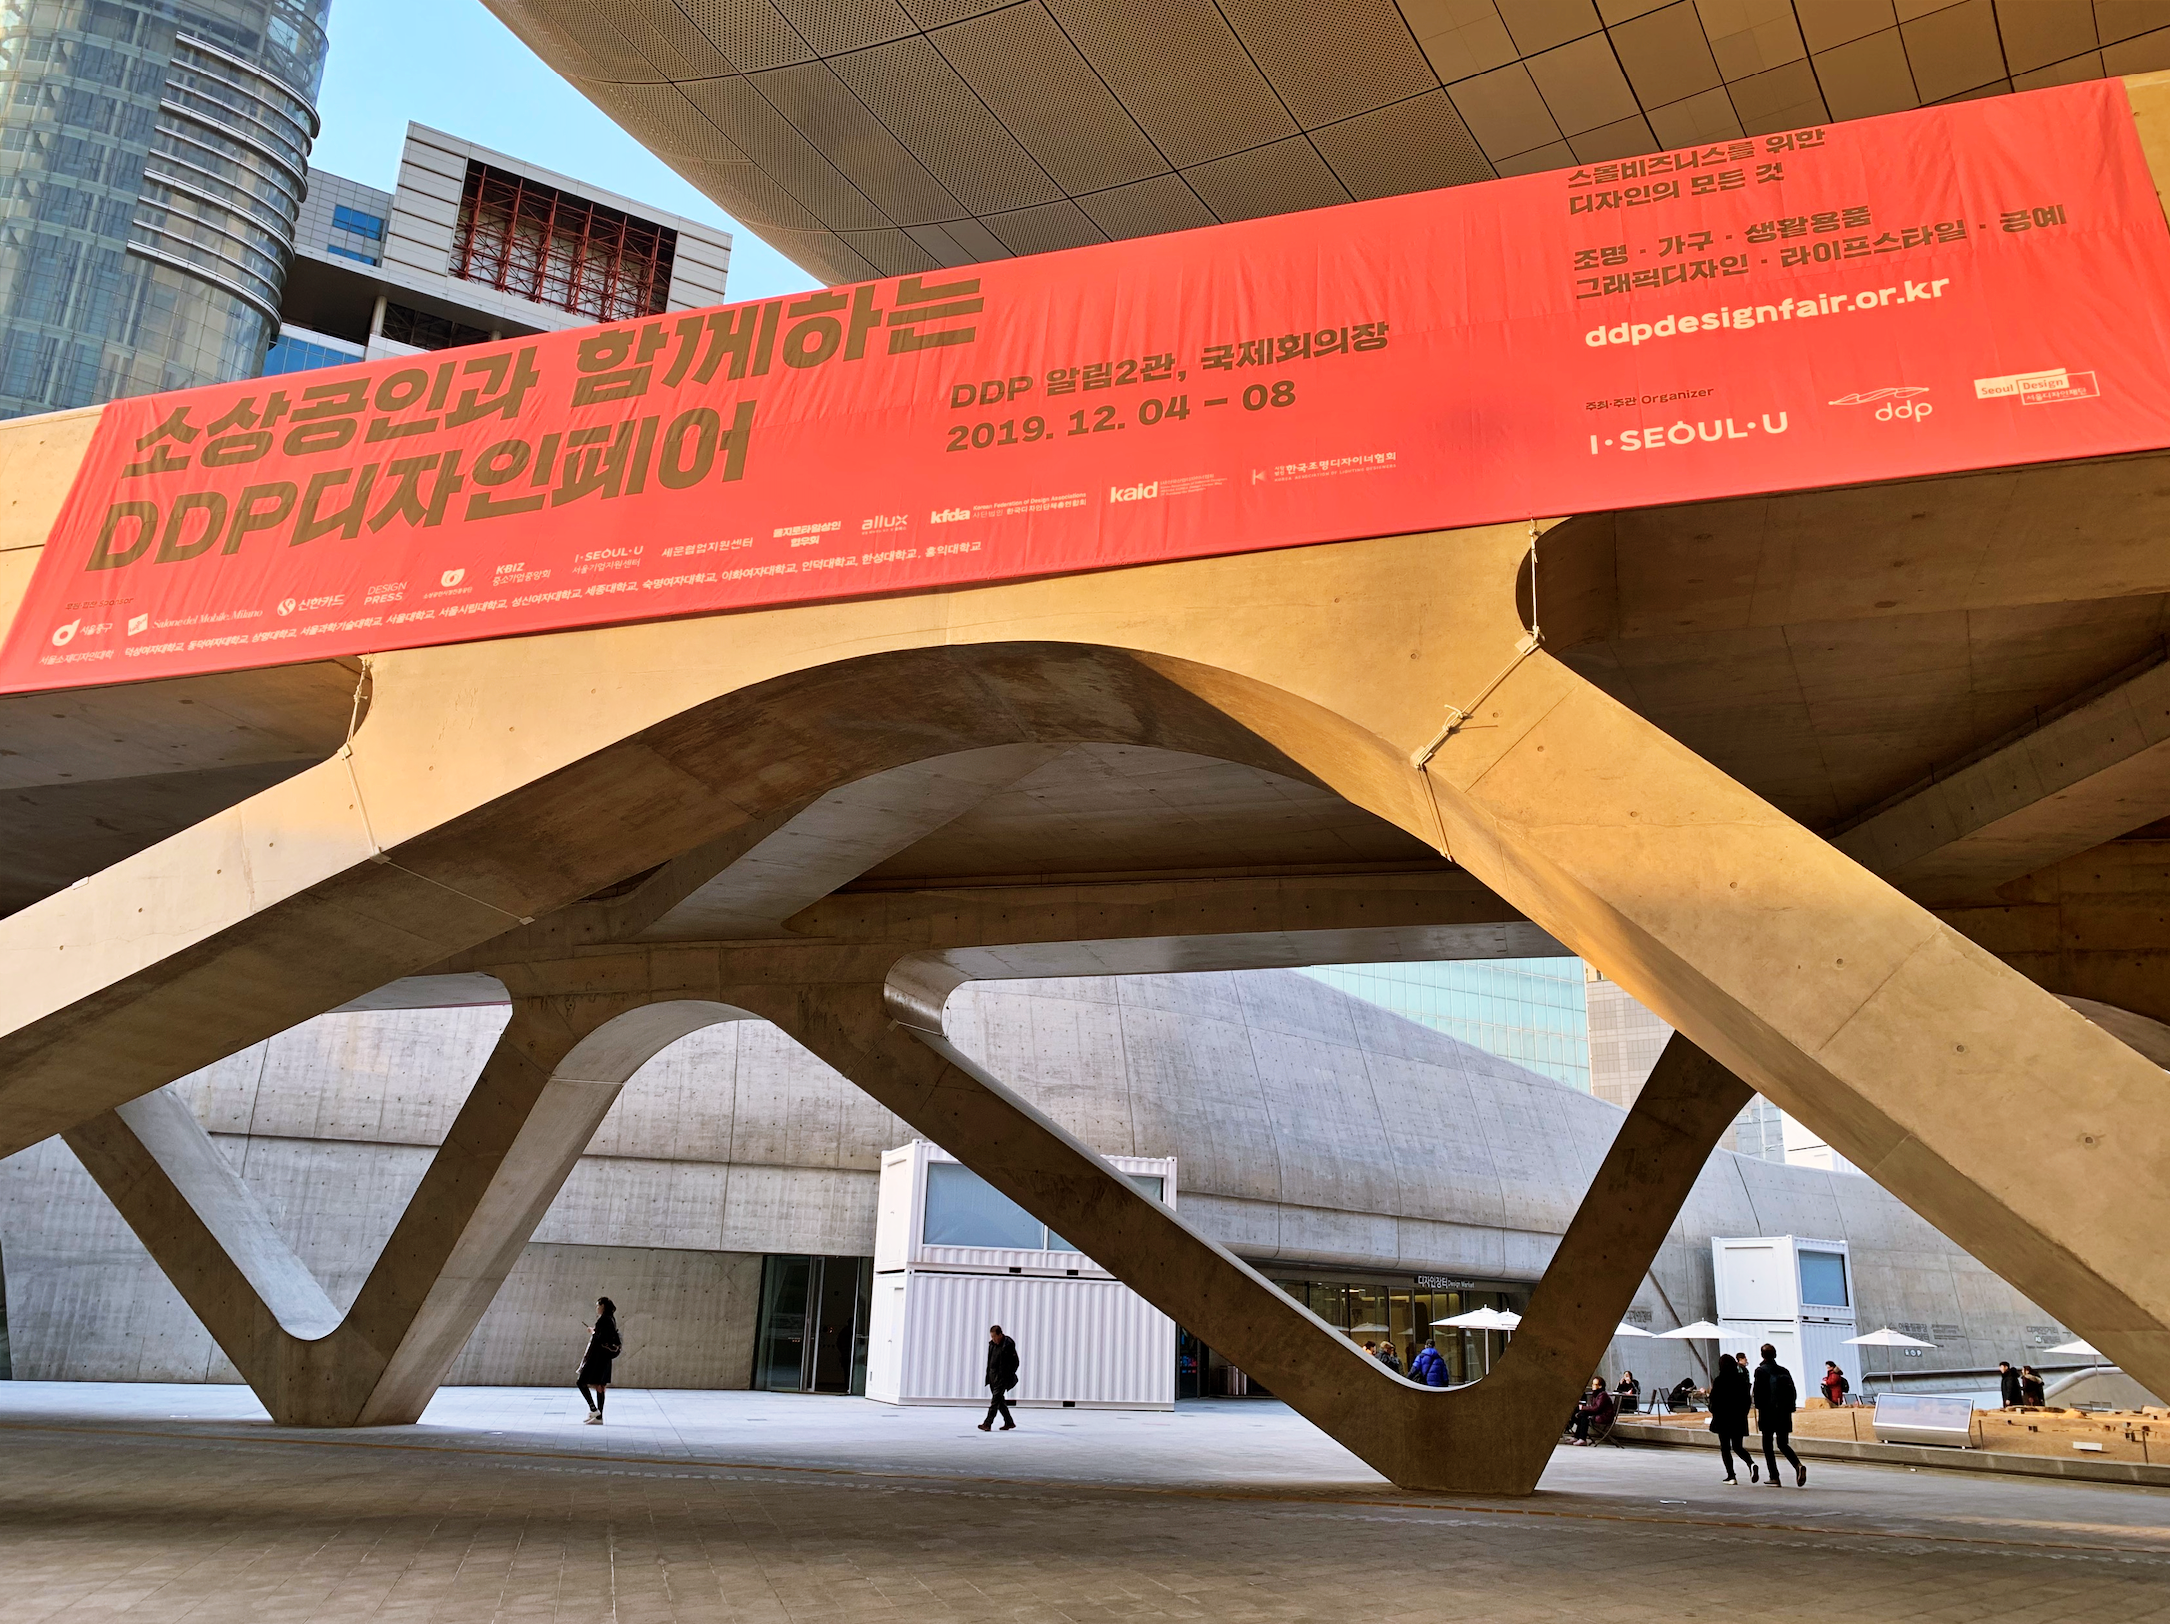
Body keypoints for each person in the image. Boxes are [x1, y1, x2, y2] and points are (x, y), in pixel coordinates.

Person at [1753, 1343, 1806, 1486]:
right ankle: (1797, 1465)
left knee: (1767, 1445)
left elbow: (1758, 1393)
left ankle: (1774, 1476)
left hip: (1768, 1412)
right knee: (1783, 1443)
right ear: (1775, 1355)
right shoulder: (1784, 1371)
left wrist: (1758, 1406)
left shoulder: (1760, 1371)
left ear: (1762, 1355)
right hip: (1784, 1413)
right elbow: (1793, 1392)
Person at [1707, 1352, 1757, 1483]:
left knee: (1725, 1448)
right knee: (1738, 1446)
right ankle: (1751, 1463)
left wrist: (1714, 1411)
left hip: (1723, 1419)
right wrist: (1743, 1414)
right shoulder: (1741, 1380)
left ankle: (1731, 1475)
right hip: (1738, 1419)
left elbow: (1713, 1401)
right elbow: (1747, 1401)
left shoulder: (1719, 1381)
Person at [576, 1296, 620, 1424]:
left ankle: (594, 1410)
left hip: (597, 1358)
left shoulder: (604, 1319)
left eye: (598, 1305)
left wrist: (592, 1332)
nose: (597, 1308)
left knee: (581, 1382)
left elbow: (601, 1338)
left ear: (603, 1306)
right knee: (600, 1386)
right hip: (604, 1358)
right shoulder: (611, 1318)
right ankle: (598, 1417)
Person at [978, 1323, 1019, 1431]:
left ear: (1000, 1334)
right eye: (991, 1336)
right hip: (992, 1376)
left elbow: (1015, 1362)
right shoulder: (992, 1344)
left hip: (1002, 1377)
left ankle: (987, 1423)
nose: (993, 1339)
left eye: (994, 1336)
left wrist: (1008, 1374)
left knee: (995, 1401)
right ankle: (1009, 1422)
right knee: (1000, 1401)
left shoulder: (1008, 1344)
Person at [1570, 1376, 1617, 1443]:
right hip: (1599, 1414)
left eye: (1595, 1384)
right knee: (1581, 1413)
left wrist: (1583, 1408)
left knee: (1583, 1414)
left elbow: (1597, 1408)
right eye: (1593, 1384)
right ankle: (1578, 1437)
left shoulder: (1602, 1395)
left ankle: (1582, 1438)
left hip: (1604, 1416)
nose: (1593, 1386)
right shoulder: (1596, 1394)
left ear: (1600, 1386)